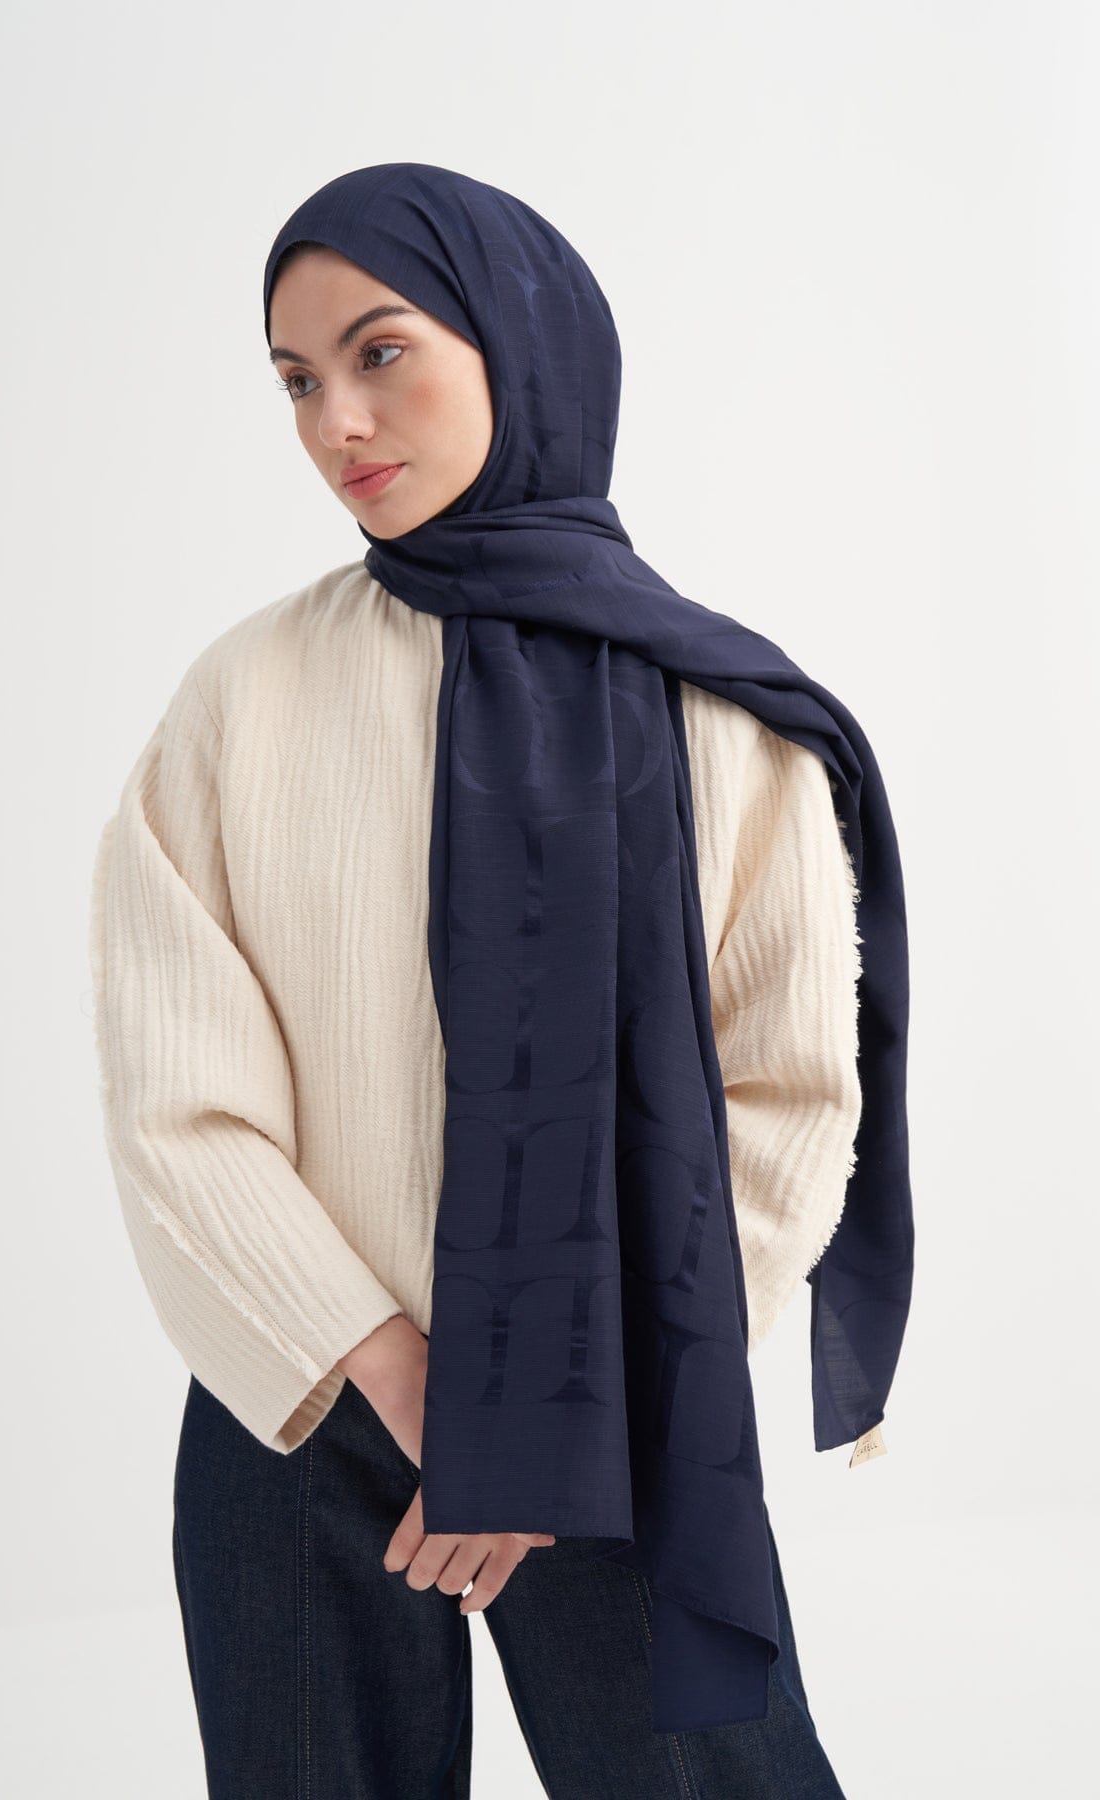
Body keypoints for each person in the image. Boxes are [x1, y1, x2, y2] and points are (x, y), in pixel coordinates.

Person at [89, 166, 879, 1798]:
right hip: (298, 1394)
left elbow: (790, 1098)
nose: (335, 424)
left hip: (616, 1414)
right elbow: (177, 1097)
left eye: (379, 352)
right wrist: (397, 1370)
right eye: (296, 380)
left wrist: (547, 1419)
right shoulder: (240, 701)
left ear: (521, 343)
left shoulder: (719, 711)